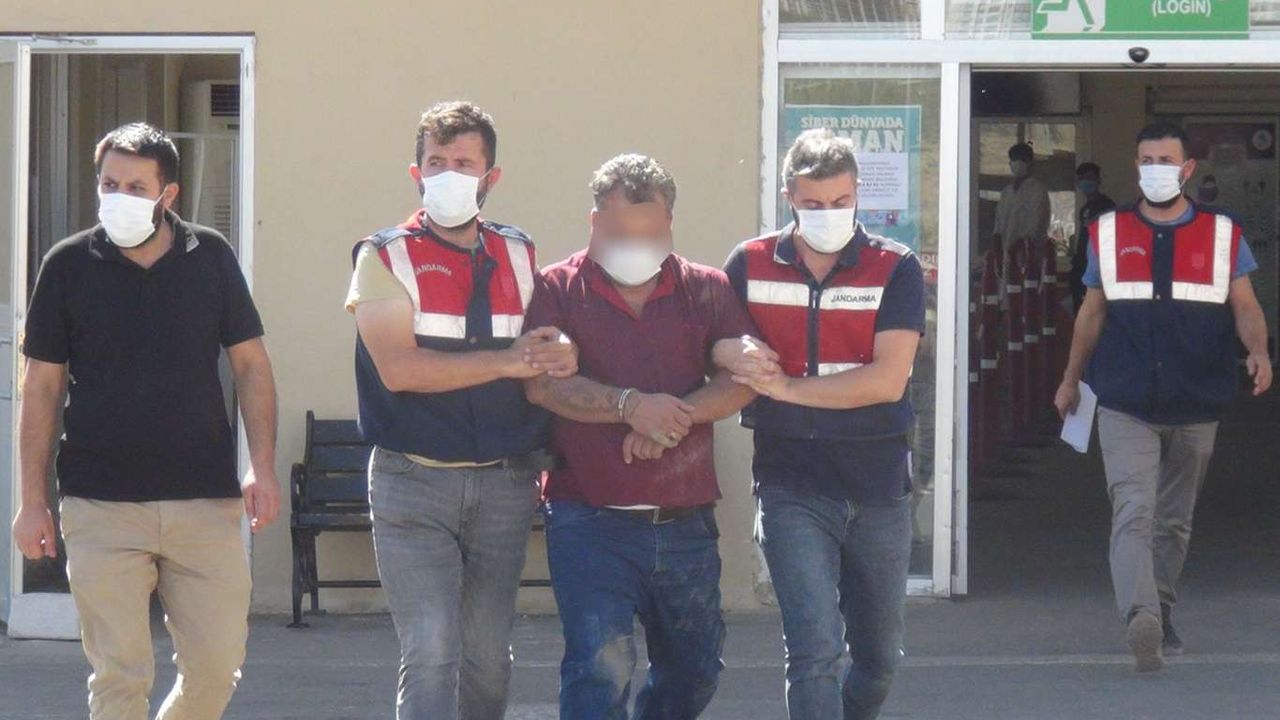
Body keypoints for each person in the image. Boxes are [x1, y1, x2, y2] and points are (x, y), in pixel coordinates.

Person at [10, 122, 279, 720]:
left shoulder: (210, 256)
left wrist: (260, 466)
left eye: (136, 186)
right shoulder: (67, 265)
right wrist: (32, 500)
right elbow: (42, 386)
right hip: (100, 504)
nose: (119, 197)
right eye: (109, 184)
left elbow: (252, 366)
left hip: (203, 499)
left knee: (215, 670)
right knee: (120, 677)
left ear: (168, 194)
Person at [346, 101, 577, 720]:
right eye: (436, 162)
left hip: (505, 482)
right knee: (430, 649)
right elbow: (400, 370)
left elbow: (545, 345)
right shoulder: (383, 256)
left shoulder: (520, 252)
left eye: (464, 163)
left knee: (487, 656)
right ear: (416, 173)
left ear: (490, 177)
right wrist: (508, 361)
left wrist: (561, 350)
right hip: (411, 481)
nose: (448, 173)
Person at [524, 153, 757, 719]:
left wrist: (671, 419)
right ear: (594, 222)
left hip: (684, 519)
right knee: (599, 670)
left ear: (670, 223)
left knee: (696, 669)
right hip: (588, 518)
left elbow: (742, 379)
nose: (634, 244)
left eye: (649, 232)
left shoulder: (707, 288)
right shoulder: (557, 287)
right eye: (619, 232)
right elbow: (543, 387)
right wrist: (630, 407)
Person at [715, 128, 925, 720]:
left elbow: (888, 380)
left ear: (857, 194)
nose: (828, 213)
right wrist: (731, 351)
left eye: (840, 201)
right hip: (791, 484)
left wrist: (785, 388)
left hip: (878, 486)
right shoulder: (750, 262)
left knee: (878, 659)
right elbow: (713, 341)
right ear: (789, 197)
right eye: (812, 203)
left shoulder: (895, 267)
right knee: (813, 652)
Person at [1054, 121, 1272, 673]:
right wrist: (1070, 379)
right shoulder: (1109, 231)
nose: (1156, 170)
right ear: (1137, 166)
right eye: (1147, 160)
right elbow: (1091, 313)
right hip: (1125, 400)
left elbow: (1245, 304)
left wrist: (1258, 350)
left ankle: (1162, 607)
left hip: (1197, 399)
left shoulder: (1223, 233)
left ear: (1187, 169)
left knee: (1173, 520)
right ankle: (1141, 617)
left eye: (1166, 161)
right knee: (1133, 509)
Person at [992, 142, 1051, 296]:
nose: (1018, 163)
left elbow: (1037, 224)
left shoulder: (1038, 190)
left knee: (1026, 299)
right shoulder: (1006, 192)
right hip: (1006, 256)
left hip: (1029, 256)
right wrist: (997, 250)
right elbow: (998, 225)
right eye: (1014, 159)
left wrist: (1022, 247)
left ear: (1030, 163)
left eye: (1022, 159)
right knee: (1005, 299)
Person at [1070, 162, 1116, 311]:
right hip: (1081, 264)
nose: (1086, 182)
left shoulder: (1107, 206)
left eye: (1090, 177)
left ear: (1098, 180)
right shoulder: (1084, 209)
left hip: (1098, 268)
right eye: (1082, 178)